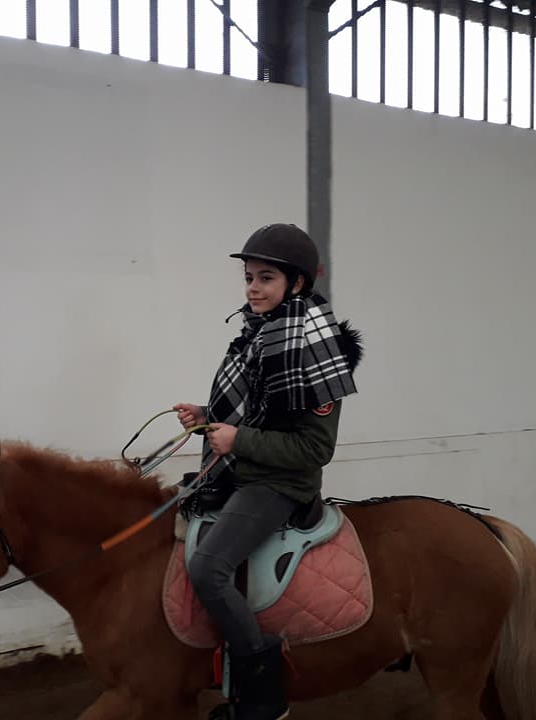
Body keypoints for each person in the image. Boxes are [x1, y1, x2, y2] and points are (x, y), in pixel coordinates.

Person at [174, 223, 362, 720]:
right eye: (249, 277)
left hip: (280, 484)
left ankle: (264, 696)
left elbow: (314, 449)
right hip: (242, 469)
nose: (253, 288)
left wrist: (238, 440)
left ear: (296, 285)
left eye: (266, 278)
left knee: (208, 569)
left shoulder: (317, 353)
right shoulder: (258, 337)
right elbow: (250, 413)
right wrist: (206, 416)